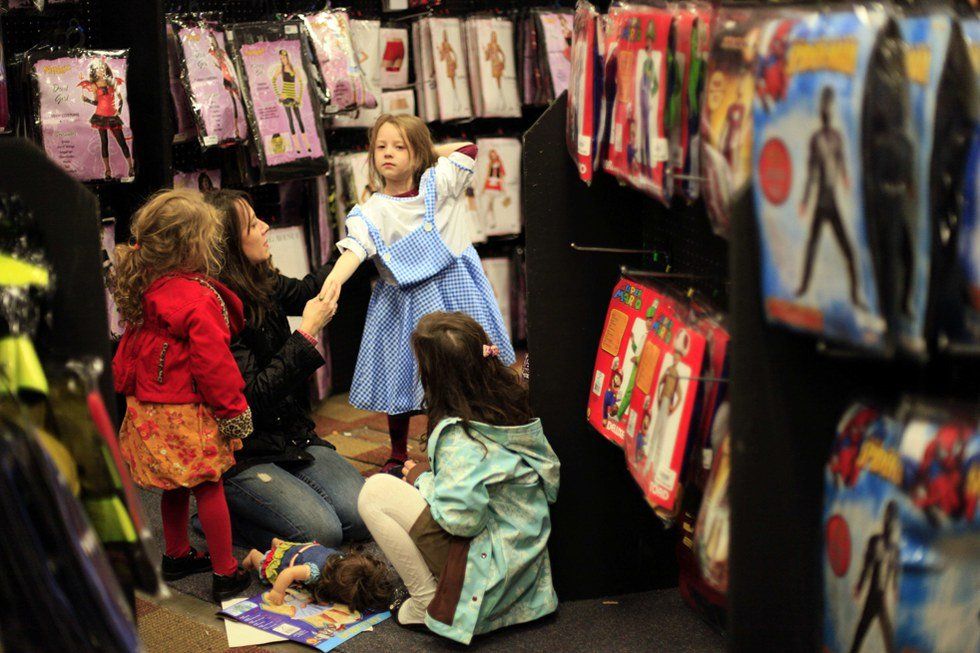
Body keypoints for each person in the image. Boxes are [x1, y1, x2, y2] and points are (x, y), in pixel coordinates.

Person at [324, 114, 514, 477]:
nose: (389, 154)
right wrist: (334, 280)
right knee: (402, 373)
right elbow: (355, 249)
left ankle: (466, 441)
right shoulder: (372, 210)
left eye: (400, 146)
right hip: (403, 304)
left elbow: (469, 149)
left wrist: (426, 152)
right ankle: (398, 451)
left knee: (462, 368)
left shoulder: (438, 184)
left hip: (455, 294)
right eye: (381, 146)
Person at [358, 312, 559, 643]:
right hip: (524, 576)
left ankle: (425, 600)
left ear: (435, 376)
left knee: (374, 492)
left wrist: (423, 480)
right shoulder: (508, 399)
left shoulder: (458, 438)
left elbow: (462, 521)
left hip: (490, 582)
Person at [205, 190, 370, 549]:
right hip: (244, 452)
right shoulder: (213, 310)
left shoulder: (259, 280)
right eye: (252, 224)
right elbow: (249, 404)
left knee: (361, 516)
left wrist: (358, 244)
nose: (265, 227)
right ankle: (216, 518)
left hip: (290, 438)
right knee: (322, 533)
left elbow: (313, 289)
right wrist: (307, 333)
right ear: (230, 244)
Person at [111, 189, 252, 602]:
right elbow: (215, 365)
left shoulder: (145, 285)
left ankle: (176, 554)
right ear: (195, 245)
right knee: (209, 485)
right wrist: (234, 410)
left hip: (148, 407)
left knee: (174, 484)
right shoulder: (199, 298)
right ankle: (226, 574)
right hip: (186, 410)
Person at [797, 86, 862, 307]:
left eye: (828, 108)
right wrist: (805, 200)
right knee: (812, 246)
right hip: (822, 201)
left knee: (847, 251)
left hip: (831, 201)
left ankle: (855, 296)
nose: (826, 113)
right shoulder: (817, 139)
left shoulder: (836, 138)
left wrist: (845, 178)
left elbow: (841, 160)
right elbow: (811, 173)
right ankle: (803, 286)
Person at [243, 538, 395, 611]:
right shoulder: (313, 571)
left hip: (304, 550)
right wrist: (277, 591)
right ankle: (253, 555)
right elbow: (287, 573)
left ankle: (278, 544)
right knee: (265, 569)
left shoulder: (344, 559)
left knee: (289, 550)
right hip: (287, 561)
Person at [77, 58, 134, 180]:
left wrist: (119, 109)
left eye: (102, 68)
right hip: (100, 116)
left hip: (113, 117)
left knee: (122, 142)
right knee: (104, 143)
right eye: (97, 69)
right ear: (94, 71)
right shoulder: (94, 85)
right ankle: (108, 171)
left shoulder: (113, 82)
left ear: (106, 69)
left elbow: (120, 99)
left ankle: (131, 167)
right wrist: (86, 100)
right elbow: (97, 102)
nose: (100, 70)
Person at [271, 49, 312, 155]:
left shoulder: (294, 68)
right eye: (281, 58)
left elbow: (301, 83)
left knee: (299, 119)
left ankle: (307, 144)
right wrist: (279, 94)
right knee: (291, 120)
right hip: (285, 98)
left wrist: (299, 97)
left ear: (287, 57)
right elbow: (273, 80)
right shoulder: (280, 68)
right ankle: (297, 146)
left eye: (284, 57)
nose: (282, 60)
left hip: (293, 98)